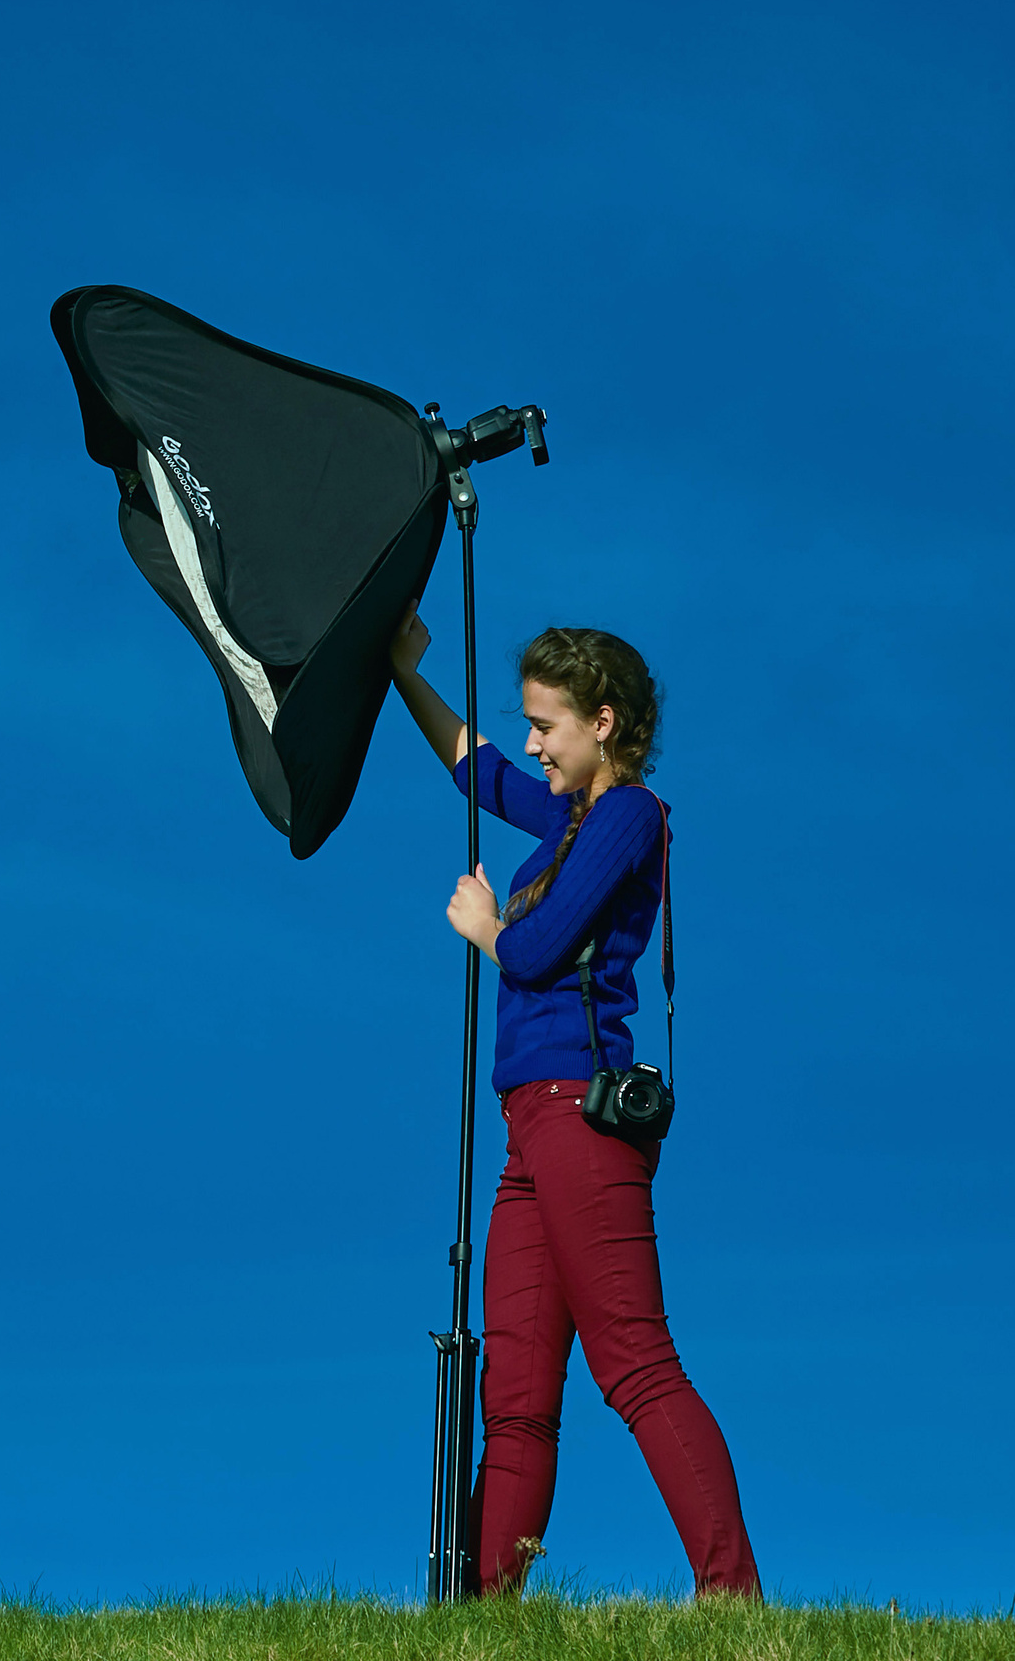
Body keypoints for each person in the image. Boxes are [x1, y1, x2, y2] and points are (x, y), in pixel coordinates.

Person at [389, 616, 760, 1599]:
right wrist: (399, 672)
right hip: (531, 1128)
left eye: (546, 725)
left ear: (603, 722)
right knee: (515, 1399)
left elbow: (541, 947)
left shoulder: (629, 815)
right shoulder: (567, 819)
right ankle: (482, 1620)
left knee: (634, 1362)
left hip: (580, 1121)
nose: (532, 744)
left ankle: (733, 1601)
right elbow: (477, 772)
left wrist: (486, 929)